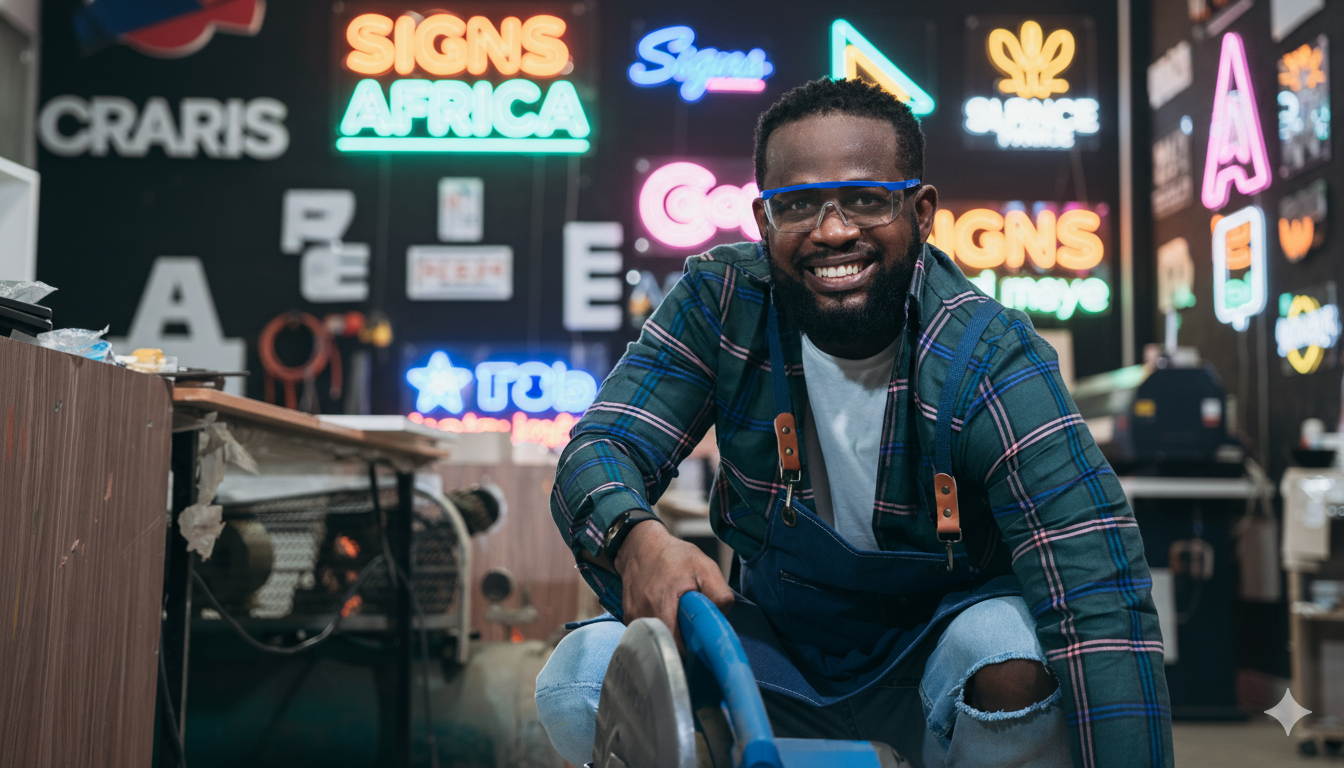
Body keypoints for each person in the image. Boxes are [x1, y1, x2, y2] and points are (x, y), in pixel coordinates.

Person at [536, 77, 1172, 768]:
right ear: (763, 222)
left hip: (935, 677)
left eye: (866, 200)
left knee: (1007, 653)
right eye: (798, 205)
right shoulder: (721, 305)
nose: (833, 231)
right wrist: (639, 541)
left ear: (920, 212)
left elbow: (1097, 598)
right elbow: (599, 447)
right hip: (772, 657)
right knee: (582, 676)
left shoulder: (988, 358)